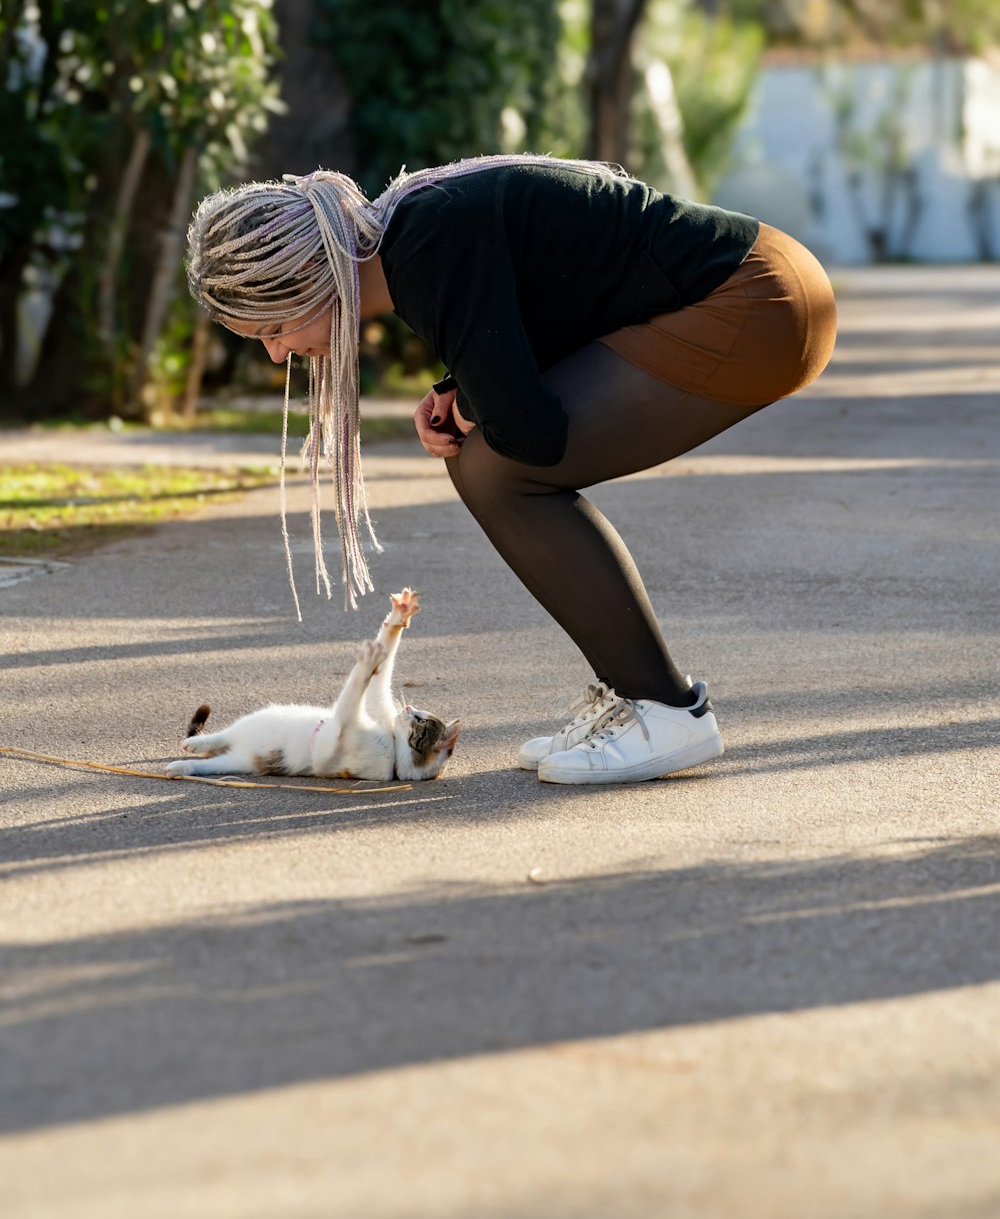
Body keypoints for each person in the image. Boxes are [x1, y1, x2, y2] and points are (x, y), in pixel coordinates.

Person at [185, 154, 836, 786]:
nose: (276, 354)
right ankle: (636, 697)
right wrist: (464, 391)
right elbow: (548, 300)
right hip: (755, 284)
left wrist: (477, 401)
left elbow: (532, 432)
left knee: (502, 469)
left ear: (307, 280)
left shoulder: (425, 247)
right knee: (482, 456)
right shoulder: (415, 234)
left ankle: (667, 710)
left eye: (271, 328)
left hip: (755, 301)